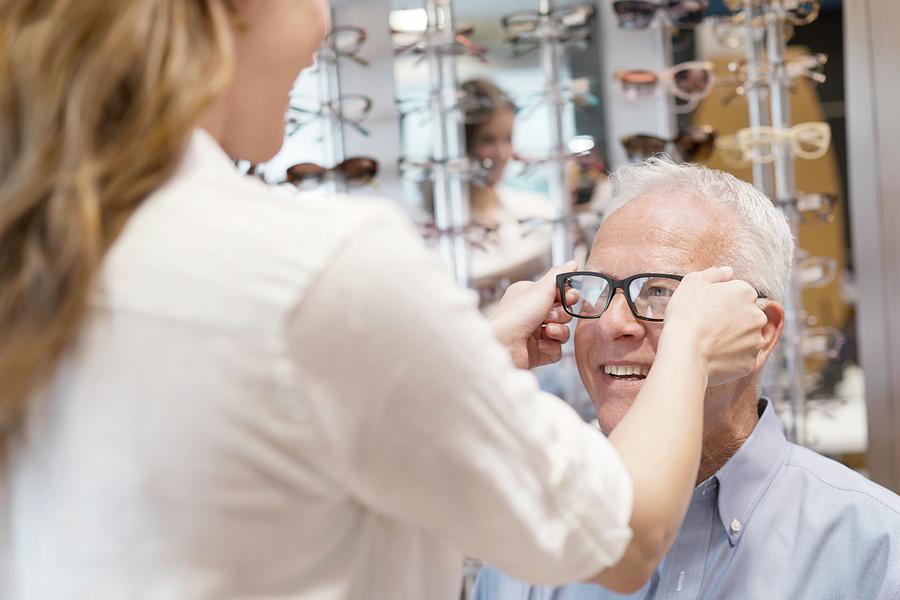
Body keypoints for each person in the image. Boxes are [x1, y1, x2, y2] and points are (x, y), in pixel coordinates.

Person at [0, 3, 767, 599]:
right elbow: (621, 539)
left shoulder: (58, 246)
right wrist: (690, 342)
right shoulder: (314, 265)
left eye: (661, 297)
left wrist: (455, 357)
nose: (324, 24)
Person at [473, 158, 900, 600]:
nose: (612, 323)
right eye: (598, 289)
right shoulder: (535, 539)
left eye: (661, 292)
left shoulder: (876, 547)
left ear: (762, 331)